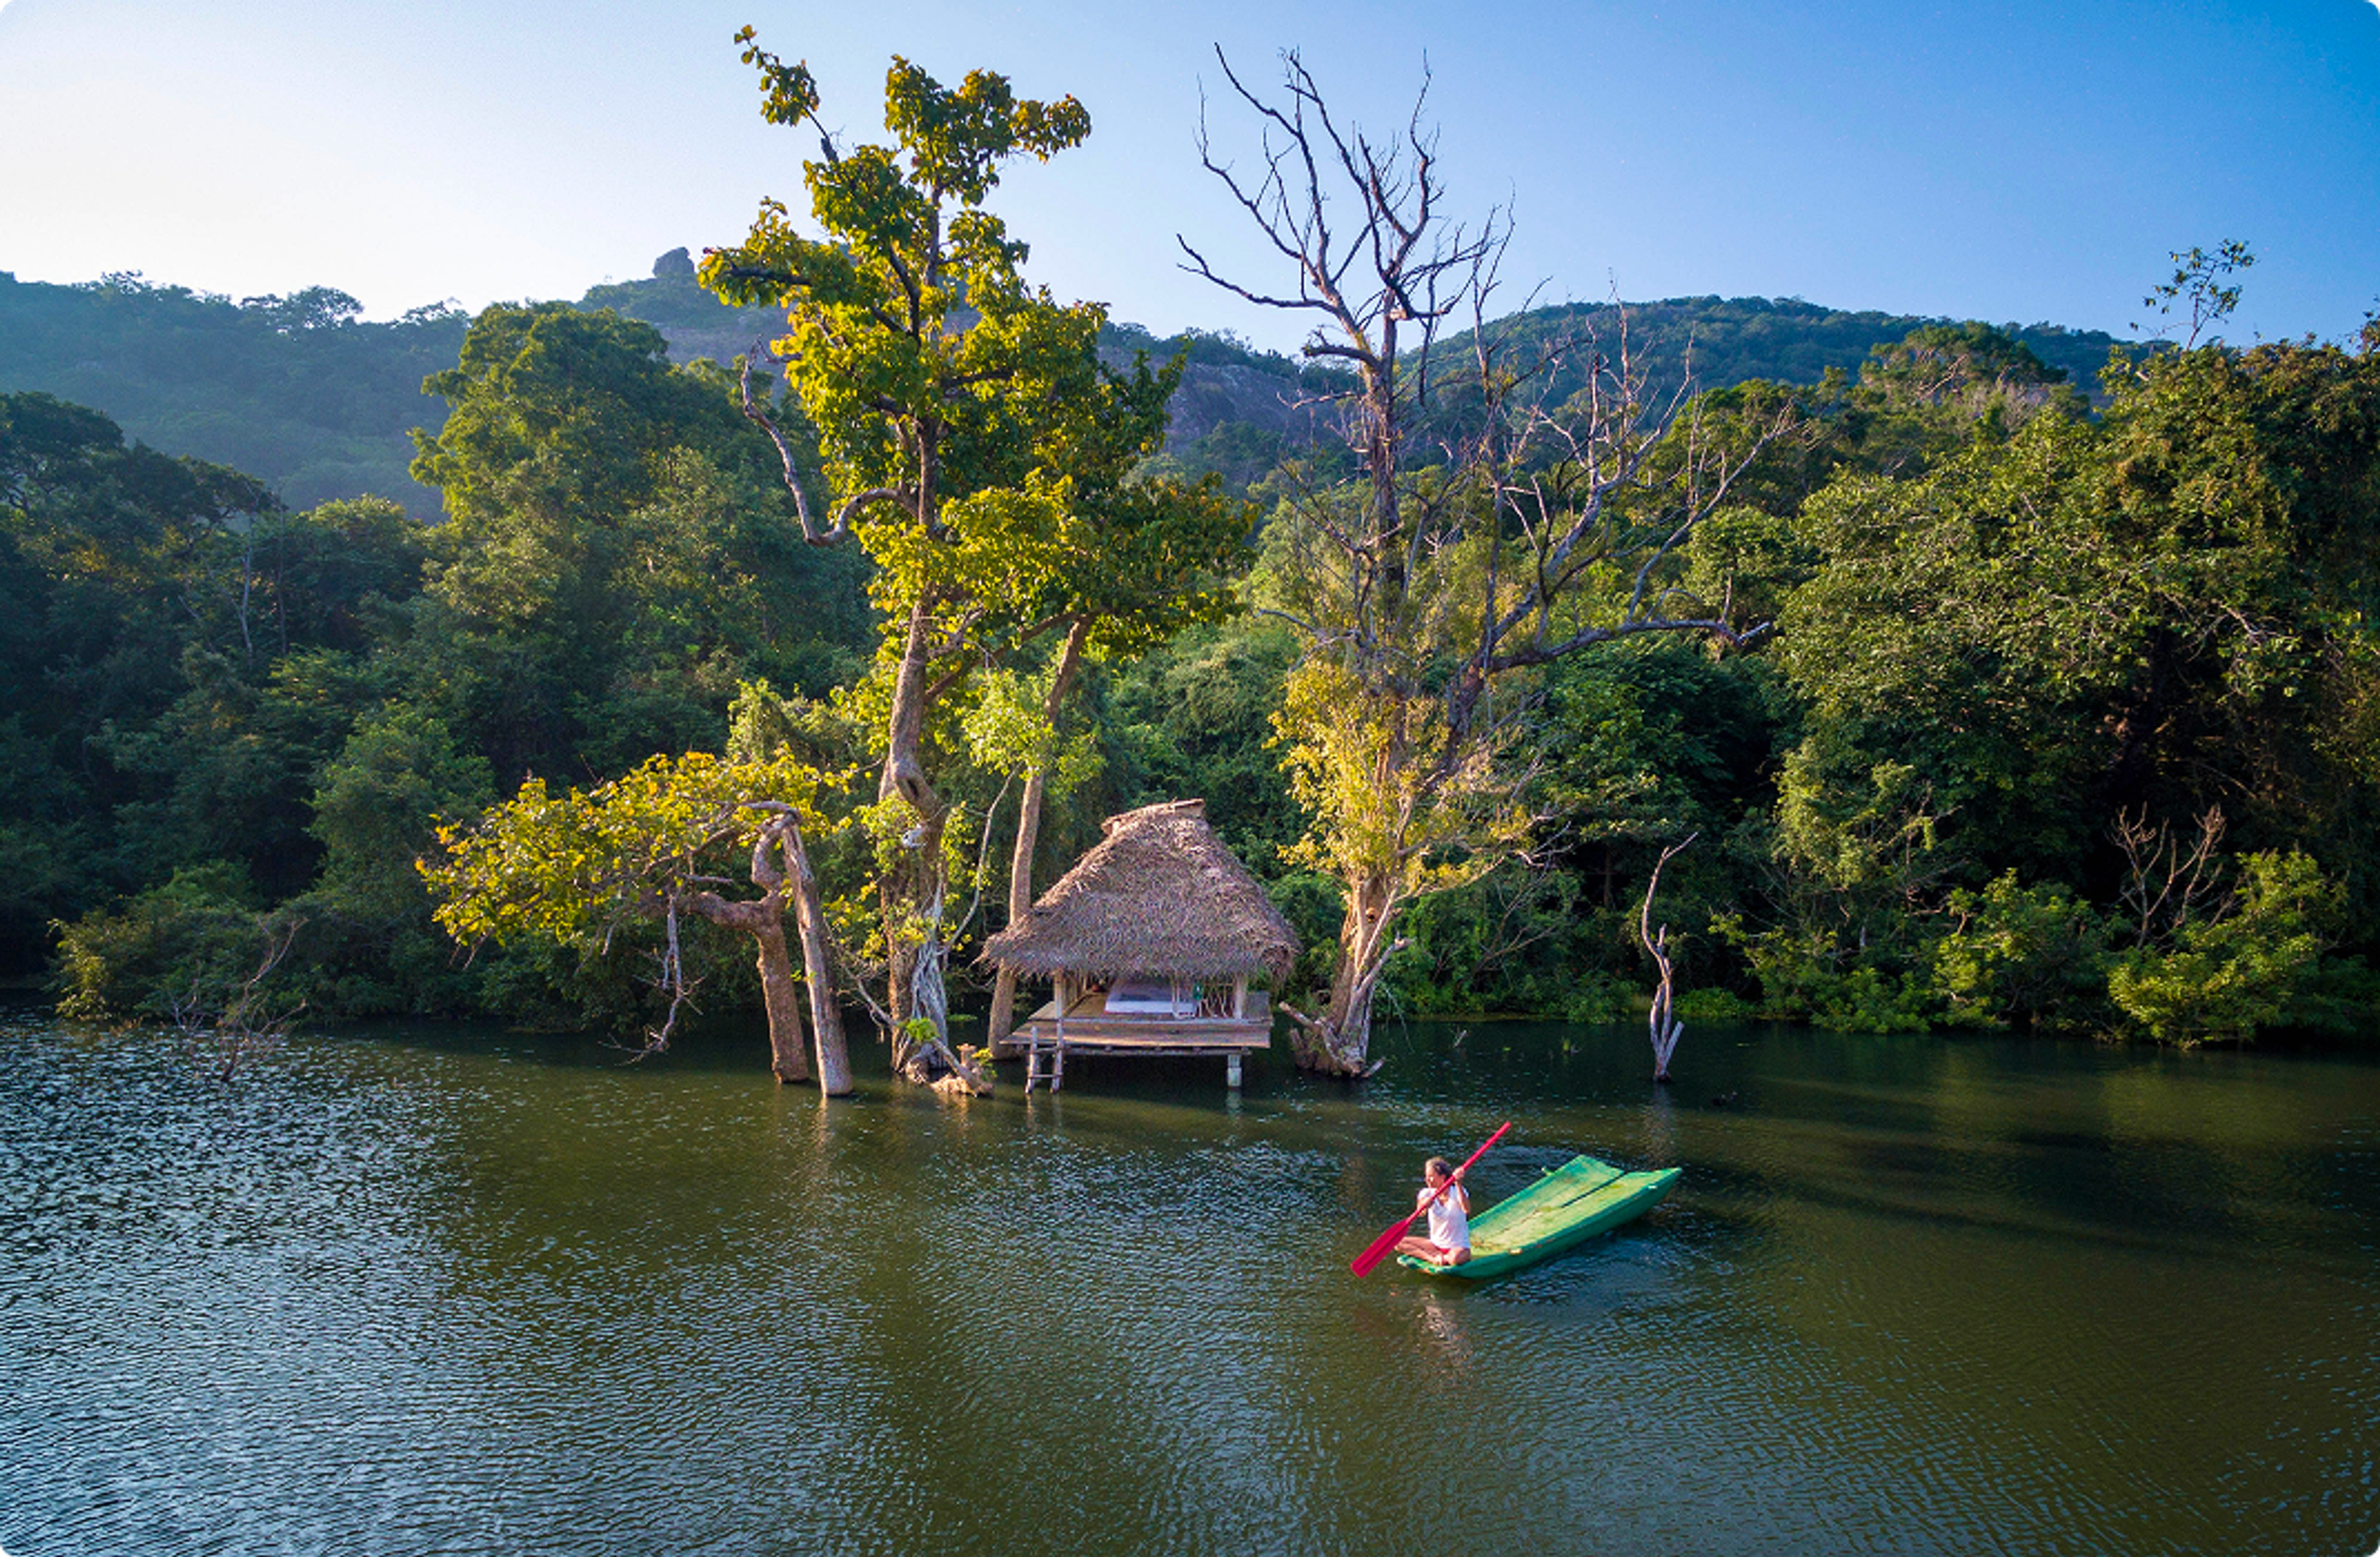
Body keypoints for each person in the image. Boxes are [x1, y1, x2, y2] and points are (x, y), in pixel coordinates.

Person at [1395, 1155, 1471, 1267]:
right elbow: (1421, 1212)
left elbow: (1466, 1210)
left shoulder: (1457, 1192)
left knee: (1455, 1259)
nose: (1427, 1180)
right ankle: (1432, 1258)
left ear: (1442, 1177)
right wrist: (1424, 1204)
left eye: (1431, 1177)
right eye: (1426, 1177)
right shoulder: (1426, 1193)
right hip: (1435, 1245)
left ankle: (1444, 1258)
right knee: (1397, 1243)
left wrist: (1458, 1183)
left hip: (1458, 1247)